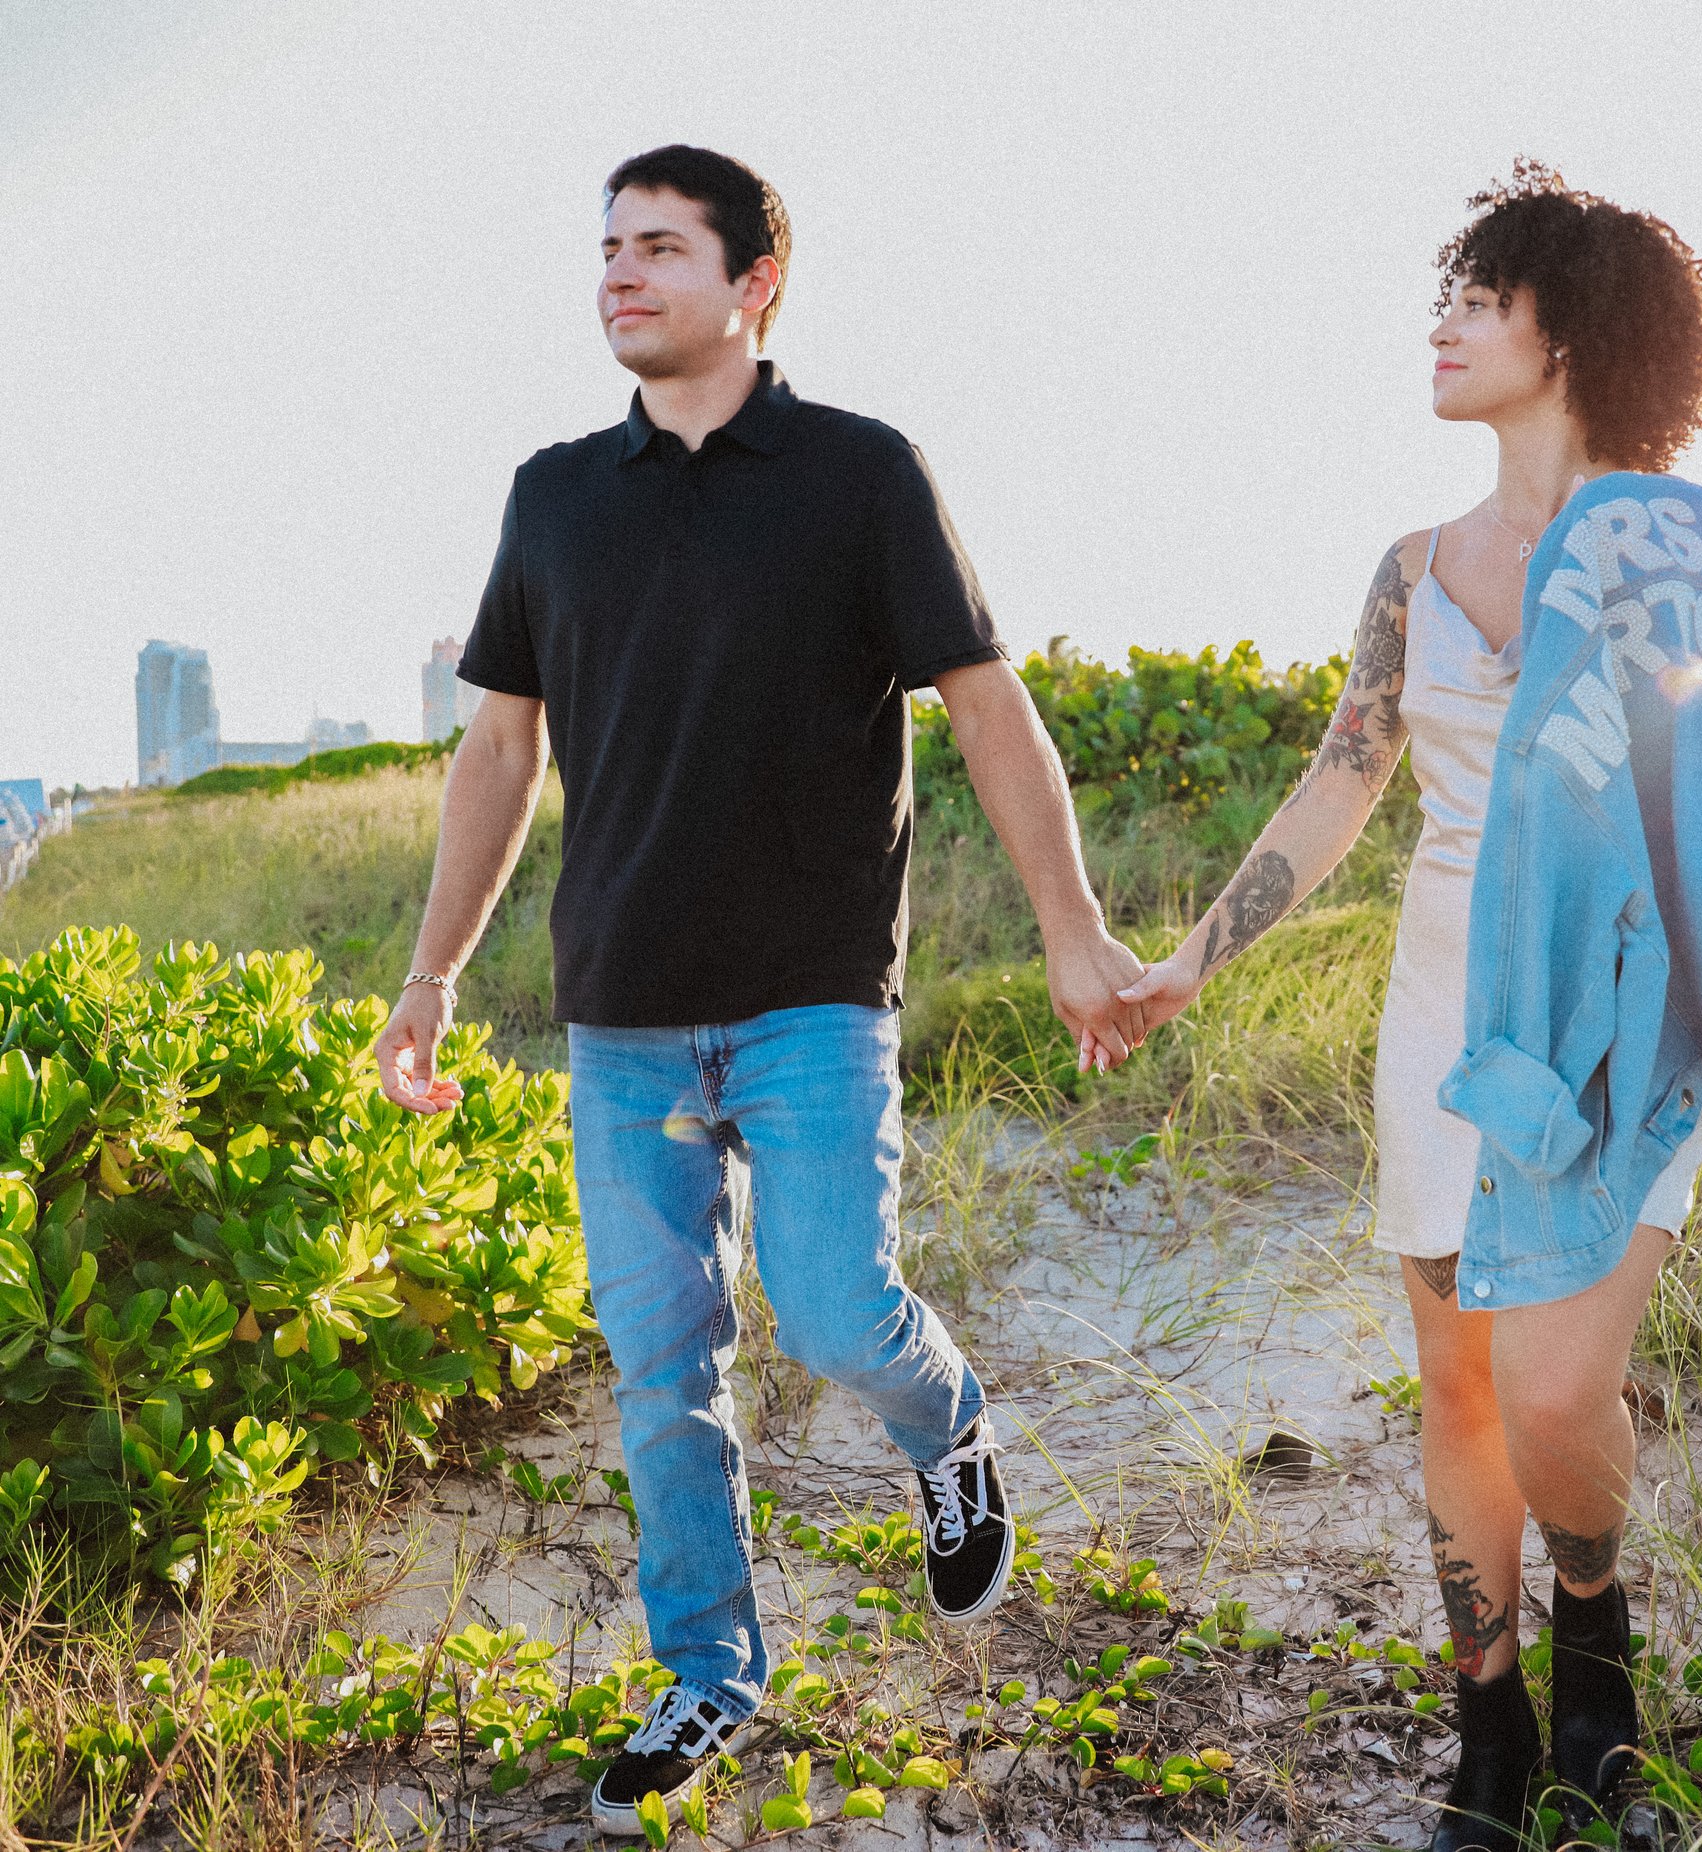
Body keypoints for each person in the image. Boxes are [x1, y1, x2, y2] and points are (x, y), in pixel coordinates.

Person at [371, 144, 1147, 1837]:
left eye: (658, 248)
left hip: (811, 998)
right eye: (606, 250)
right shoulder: (554, 495)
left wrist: (1069, 926)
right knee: (662, 1368)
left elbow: (986, 704)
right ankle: (709, 1675)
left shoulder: (862, 475)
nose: (619, 275)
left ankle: (948, 1430)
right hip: (622, 1006)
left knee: (832, 1309)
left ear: (753, 282)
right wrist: (430, 974)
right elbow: (499, 744)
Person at [1119, 163, 1702, 1850]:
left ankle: (1593, 1622)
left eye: (1482, 296)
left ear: (1571, 325)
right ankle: (1492, 1721)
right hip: (1446, 1012)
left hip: (1621, 1003)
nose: (1446, 324)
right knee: (1455, 1388)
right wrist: (1192, 957)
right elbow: (1342, 782)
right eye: (1447, 297)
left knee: (1551, 1391)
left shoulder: (1685, 551)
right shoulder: (1416, 565)